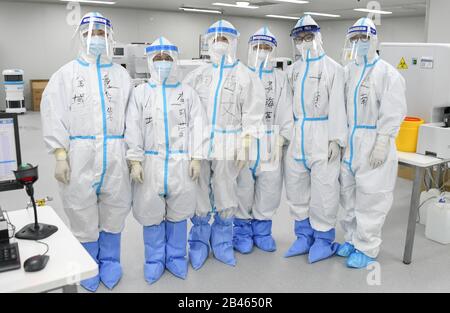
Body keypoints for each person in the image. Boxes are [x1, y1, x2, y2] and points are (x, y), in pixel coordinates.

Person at [41, 12, 132, 291]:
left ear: (110, 38)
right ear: (81, 37)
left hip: (115, 152)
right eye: (91, 34)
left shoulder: (121, 75)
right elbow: (53, 114)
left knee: (114, 208)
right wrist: (59, 154)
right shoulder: (65, 75)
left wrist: (134, 155)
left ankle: (111, 262)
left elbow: (133, 117)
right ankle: (88, 264)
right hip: (79, 155)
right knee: (81, 210)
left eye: (102, 34)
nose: (97, 39)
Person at [184, 20, 265, 269]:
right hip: (200, 141)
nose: (219, 45)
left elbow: (253, 113)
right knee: (198, 189)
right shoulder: (197, 75)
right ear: (208, 43)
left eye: (225, 40)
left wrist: (246, 142)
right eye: (215, 40)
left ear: (234, 42)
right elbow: (185, 111)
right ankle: (198, 244)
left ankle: (222, 244)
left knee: (225, 190)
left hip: (229, 142)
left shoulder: (245, 76)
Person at [125, 37, 206, 283]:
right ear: (150, 61)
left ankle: (176, 258)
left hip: (181, 163)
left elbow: (199, 125)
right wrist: (135, 160)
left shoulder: (187, 93)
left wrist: (197, 157)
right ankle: (154, 260)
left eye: (167, 59)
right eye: (157, 59)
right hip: (150, 162)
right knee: (150, 212)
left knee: (179, 213)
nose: (163, 63)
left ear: (175, 61)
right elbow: (132, 127)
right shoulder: (140, 93)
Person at [337, 17, 407, 268]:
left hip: (373, 143)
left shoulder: (387, 73)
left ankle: (367, 246)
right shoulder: (348, 71)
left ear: (373, 40)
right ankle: (351, 238)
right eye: (354, 39)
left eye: (363, 39)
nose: (359, 43)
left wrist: (383, 141)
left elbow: (393, 110)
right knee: (348, 196)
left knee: (371, 198)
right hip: (351, 143)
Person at [284, 15, 347, 263]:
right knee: (296, 186)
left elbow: (339, 107)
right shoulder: (293, 70)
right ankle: (303, 236)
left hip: (323, 134)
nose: (304, 42)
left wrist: (335, 139)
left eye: (308, 37)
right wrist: (286, 136)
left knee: (325, 189)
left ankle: (323, 239)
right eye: (299, 38)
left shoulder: (334, 69)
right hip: (299, 135)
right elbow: (286, 106)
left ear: (318, 37)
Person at [233, 27, 293, 254]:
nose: (262, 51)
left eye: (267, 47)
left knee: (269, 188)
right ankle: (241, 232)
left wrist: (281, 138)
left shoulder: (280, 79)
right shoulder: (239, 74)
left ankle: (262, 231)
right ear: (249, 48)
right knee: (243, 188)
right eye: (258, 47)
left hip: (269, 141)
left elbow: (285, 108)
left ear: (274, 51)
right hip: (245, 141)